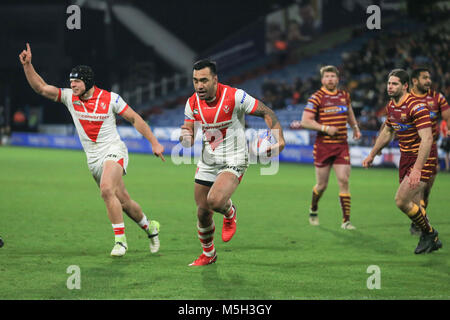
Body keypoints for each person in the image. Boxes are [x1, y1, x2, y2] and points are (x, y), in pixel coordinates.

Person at [19, 43, 165, 257]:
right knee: (123, 201)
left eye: (76, 81)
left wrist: (154, 142)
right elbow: (41, 88)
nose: (73, 85)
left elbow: (134, 118)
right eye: (71, 81)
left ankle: (120, 242)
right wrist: (28, 65)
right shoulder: (70, 97)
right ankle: (149, 227)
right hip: (94, 159)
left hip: (114, 150)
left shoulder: (111, 99)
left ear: (87, 81)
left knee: (106, 189)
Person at [179, 59, 285, 266]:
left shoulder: (235, 96)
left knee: (215, 201)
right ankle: (209, 255)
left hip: (235, 158)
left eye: (204, 80)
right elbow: (188, 131)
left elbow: (266, 112)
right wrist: (186, 136)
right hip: (209, 160)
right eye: (195, 81)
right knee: (202, 212)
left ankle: (230, 212)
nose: (199, 85)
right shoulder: (192, 103)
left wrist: (279, 140)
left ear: (215, 79)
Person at [362, 69, 442, 254]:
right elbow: (388, 131)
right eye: (389, 83)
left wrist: (417, 169)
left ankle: (430, 234)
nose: (390, 87)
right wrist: (372, 154)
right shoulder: (392, 106)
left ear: (405, 86)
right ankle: (429, 236)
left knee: (401, 200)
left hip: (422, 158)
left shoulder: (417, 106)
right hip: (405, 157)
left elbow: (428, 139)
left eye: (395, 84)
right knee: (414, 203)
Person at [299, 65, 361, 229]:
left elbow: (349, 112)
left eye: (333, 76)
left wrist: (355, 127)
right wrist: (326, 128)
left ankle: (346, 221)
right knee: (322, 185)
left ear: (337, 79)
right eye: (327, 77)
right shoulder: (316, 97)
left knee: (344, 180)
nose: (330, 79)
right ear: (322, 80)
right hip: (323, 147)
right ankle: (313, 208)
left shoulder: (344, 96)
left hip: (341, 145)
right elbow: (305, 121)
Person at [408, 68, 450, 235]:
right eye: (425, 78)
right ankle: (420, 223)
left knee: (426, 190)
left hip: (430, 149)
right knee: (416, 188)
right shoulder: (406, 98)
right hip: (410, 148)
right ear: (415, 81)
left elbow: (448, 117)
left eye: (429, 77)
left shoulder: (437, 97)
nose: (428, 81)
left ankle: (419, 219)